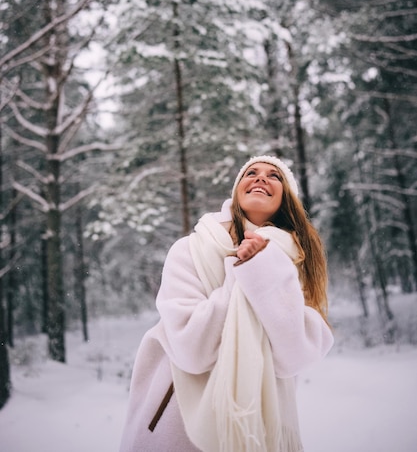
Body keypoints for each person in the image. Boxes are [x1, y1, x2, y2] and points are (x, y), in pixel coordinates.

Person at [119, 155, 334, 452]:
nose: (261, 178)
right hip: (179, 424)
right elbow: (192, 349)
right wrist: (241, 271)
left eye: (275, 176)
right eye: (251, 172)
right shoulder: (189, 250)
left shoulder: (296, 261)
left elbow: (294, 357)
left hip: (258, 431)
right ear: (237, 190)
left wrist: (265, 269)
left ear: (287, 199)